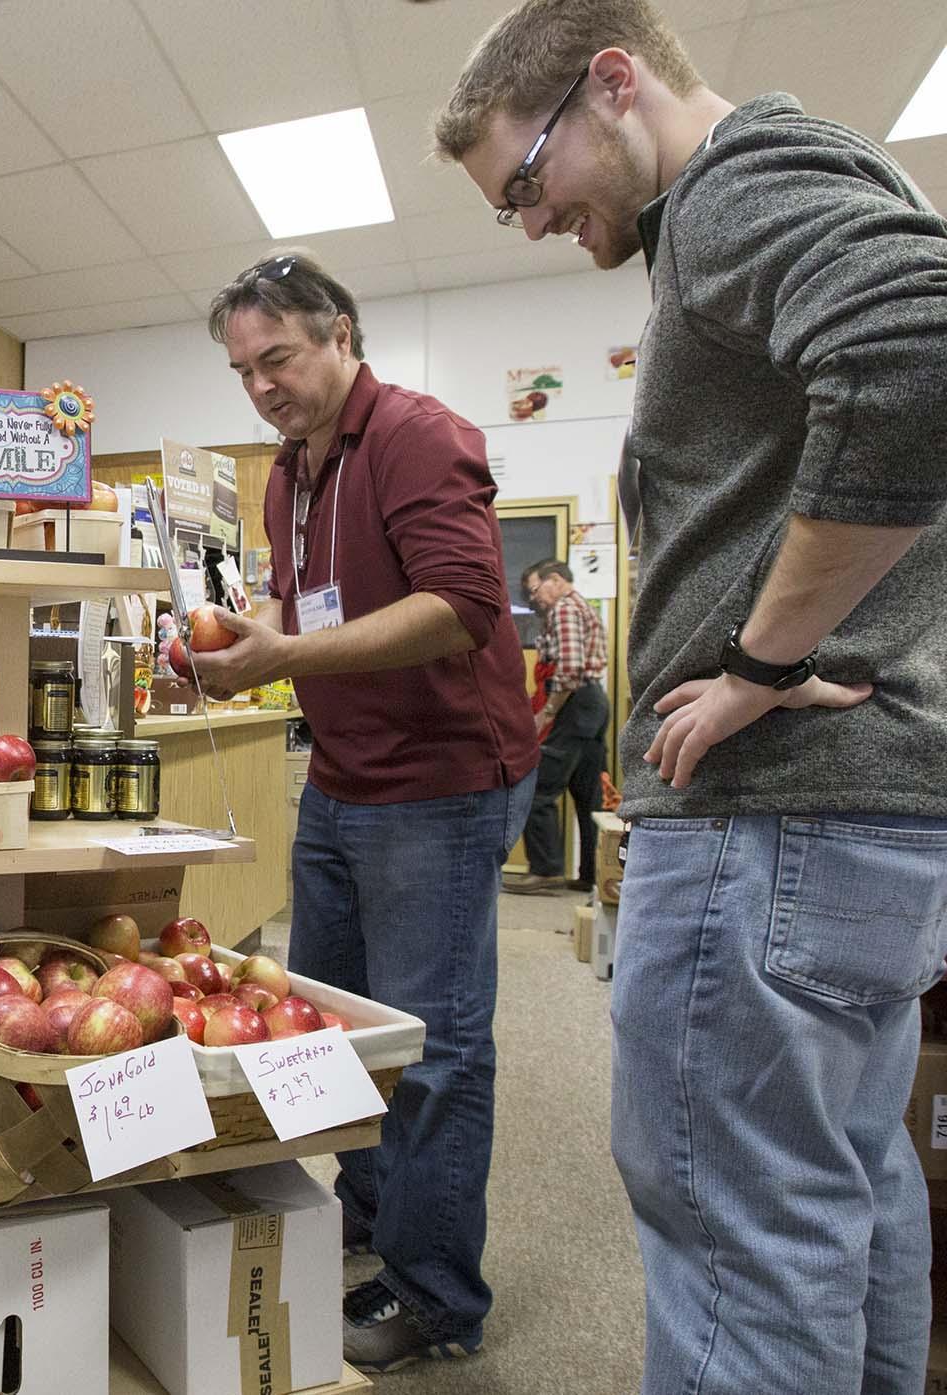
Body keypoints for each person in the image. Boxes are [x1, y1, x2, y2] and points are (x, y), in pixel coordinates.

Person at [433, 3, 947, 1391]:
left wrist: (765, 660)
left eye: (526, 182)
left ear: (614, 87)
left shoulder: (738, 183)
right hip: (867, 814)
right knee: (845, 1191)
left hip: (768, 818)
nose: (530, 222)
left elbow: (918, 350)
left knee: (737, 1221)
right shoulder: (803, 187)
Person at [189, 253, 538, 1373]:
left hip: (438, 785)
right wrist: (250, 633)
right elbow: (307, 604)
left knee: (433, 1047)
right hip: (343, 779)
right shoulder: (291, 471)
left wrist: (286, 651)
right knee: (333, 1028)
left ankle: (438, 1294)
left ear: (342, 332)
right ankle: (372, 1214)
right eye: (243, 371)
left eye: (277, 358)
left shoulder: (417, 436)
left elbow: (464, 604)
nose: (262, 387)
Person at [507, 557, 608, 894]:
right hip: (593, 704)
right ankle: (592, 874)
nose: (533, 599)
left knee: (538, 789)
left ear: (554, 580)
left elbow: (569, 669)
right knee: (589, 794)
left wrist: (547, 712)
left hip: (573, 703)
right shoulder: (581, 608)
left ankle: (546, 869)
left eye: (535, 590)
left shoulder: (564, 609)